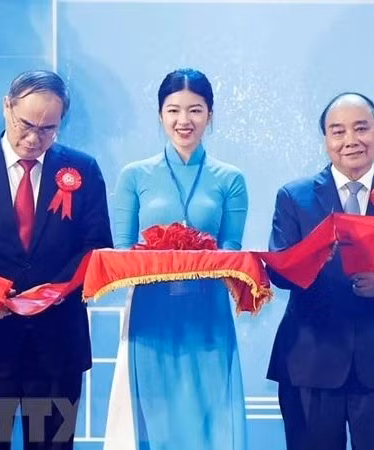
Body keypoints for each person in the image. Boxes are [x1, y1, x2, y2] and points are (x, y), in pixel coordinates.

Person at [0, 70, 113, 449]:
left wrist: (53, 292)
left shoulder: (82, 171)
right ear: (6, 108)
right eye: (26, 124)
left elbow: (96, 245)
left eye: (48, 129)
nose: (34, 137)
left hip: (56, 351)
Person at [266, 92, 374, 450]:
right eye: (337, 131)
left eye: (361, 128)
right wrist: (313, 257)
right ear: (326, 140)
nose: (350, 140)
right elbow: (278, 272)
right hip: (310, 363)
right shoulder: (293, 197)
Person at [105, 68, 248, 450]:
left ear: (211, 115)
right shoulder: (134, 176)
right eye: (173, 110)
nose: (184, 121)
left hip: (208, 313)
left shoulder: (230, 178)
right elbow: (121, 253)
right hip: (150, 313)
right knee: (153, 416)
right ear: (159, 115)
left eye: (195, 110)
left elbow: (232, 249)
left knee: (210, 416)